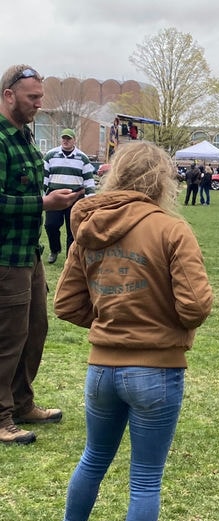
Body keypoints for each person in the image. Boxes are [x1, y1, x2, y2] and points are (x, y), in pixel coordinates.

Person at [49, 141, 213, 521]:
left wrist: (111, 322)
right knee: (145, 477)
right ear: (162, 179)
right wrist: (156, 324)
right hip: (156, 372)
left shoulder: (88, 228)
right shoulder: (171, 230)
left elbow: (67, 304)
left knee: (92, 459)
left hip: (101, 370)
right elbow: (196, 306)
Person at [0, 64, 82, 445]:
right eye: (32, 97)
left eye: (39, 96)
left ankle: (21, 403)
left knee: (35, 330)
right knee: (8, 337)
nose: (38, 103)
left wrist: (52, 201)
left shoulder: (25, 137)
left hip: (28, 253)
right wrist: (43, 203)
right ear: (8, 95)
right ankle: (2, 418)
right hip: (5, 257)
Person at [43, 128, 96, 263]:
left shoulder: (82, 158)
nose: (66, 141)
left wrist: (89, 200)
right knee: (50, 225)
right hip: (54, 197)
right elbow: (44, 177)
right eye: (64, 138)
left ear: (74, 140)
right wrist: (44, 196)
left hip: (74, 197)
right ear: (61, 139)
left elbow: (89, 181)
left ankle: (70, 257)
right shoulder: (51, 155)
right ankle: (55, 250)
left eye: (69, 138)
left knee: (72, 230)